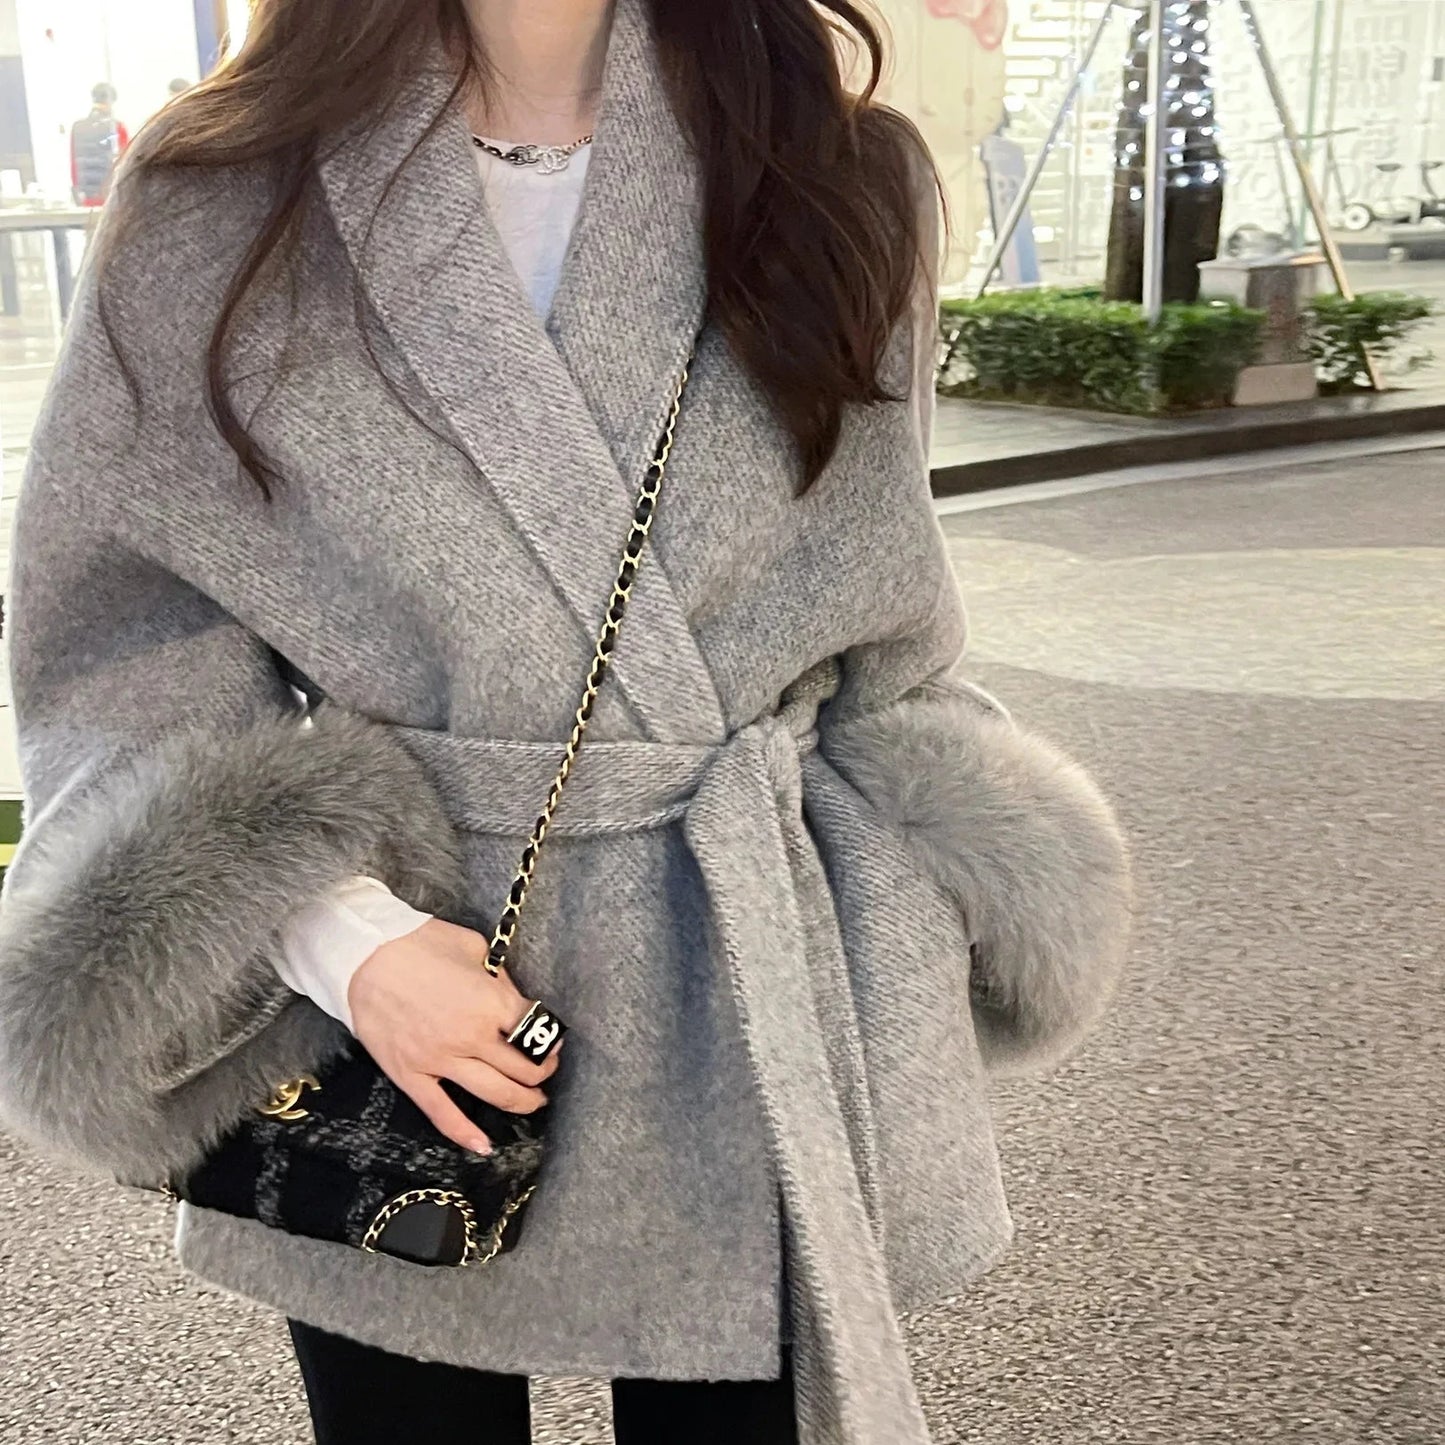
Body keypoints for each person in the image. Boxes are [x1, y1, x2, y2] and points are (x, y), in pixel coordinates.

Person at [0, 3, 1132, 1443]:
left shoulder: (839, 172)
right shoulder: (219, 192)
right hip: (400, 973)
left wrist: (949, 863)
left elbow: (883, 609)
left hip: (752, 964)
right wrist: (340, 937)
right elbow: (124, 648)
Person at [69, 82, 128, 207]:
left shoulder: (78, 127)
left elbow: (74, 164)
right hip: (111, 198)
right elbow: (126, 163)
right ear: (111, 102)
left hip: (86, 197)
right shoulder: (116, 128)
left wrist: (78, 190)